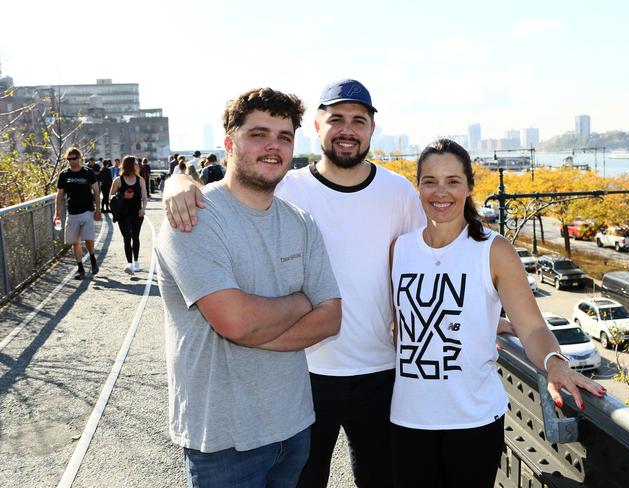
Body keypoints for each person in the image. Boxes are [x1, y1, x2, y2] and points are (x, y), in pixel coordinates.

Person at [163, 79, 425, 488]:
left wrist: (489, 314)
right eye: (335, 119)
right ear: (318, 128)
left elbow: (429, 263)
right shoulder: (283, 184)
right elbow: (228, 190)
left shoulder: (398, 191)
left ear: (372, 129)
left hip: (381, 369)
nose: (347, 129)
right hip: (303, 377)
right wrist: (176, 184)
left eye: (359, 120)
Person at [389, 139, 606, 488]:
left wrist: (554, 361)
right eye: (429, 181)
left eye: (452, 181)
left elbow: (533, 328)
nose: (440, 192)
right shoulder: (399, 249)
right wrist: (480, 324)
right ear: (418, 187)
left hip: (472, 423)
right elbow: (403, 325)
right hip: (408, 419)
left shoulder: (493, 250)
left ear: (470, 187)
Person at [155, 87, 342, 488]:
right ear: (229, 143)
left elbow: (330, 318)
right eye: (259, 134)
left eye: (285, 137)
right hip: (224, 440)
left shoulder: (301, 223)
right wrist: (299, 302)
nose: (273, 147)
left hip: (294, 428)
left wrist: (252, 330)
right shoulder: (193, 217)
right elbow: (236, 322)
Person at [54, 147, 101, 279]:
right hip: (72, 212)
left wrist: (98, 210)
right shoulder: (64, 175)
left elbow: (97, 191)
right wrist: (56, 213)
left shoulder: (88, 172)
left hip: (87, 211)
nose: (71, 161)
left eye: (74, 158)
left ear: (79, 158)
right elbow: (59, 195)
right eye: (69, 159)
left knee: (88, 238)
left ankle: (92, 258)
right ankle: (80, 268)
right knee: (75, 242)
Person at [109, 155, 148, 274]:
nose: (138, 165)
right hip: (123, 213)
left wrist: (143, 209)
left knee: (135, 237)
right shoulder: (118, 180)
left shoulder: (140, 179)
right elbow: (110, 197)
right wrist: (123, 196)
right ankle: (129, 264)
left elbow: (145, 197)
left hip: (137, 213)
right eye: (135, 163)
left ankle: (136, 261)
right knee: (127, 237)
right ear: (130, 165)